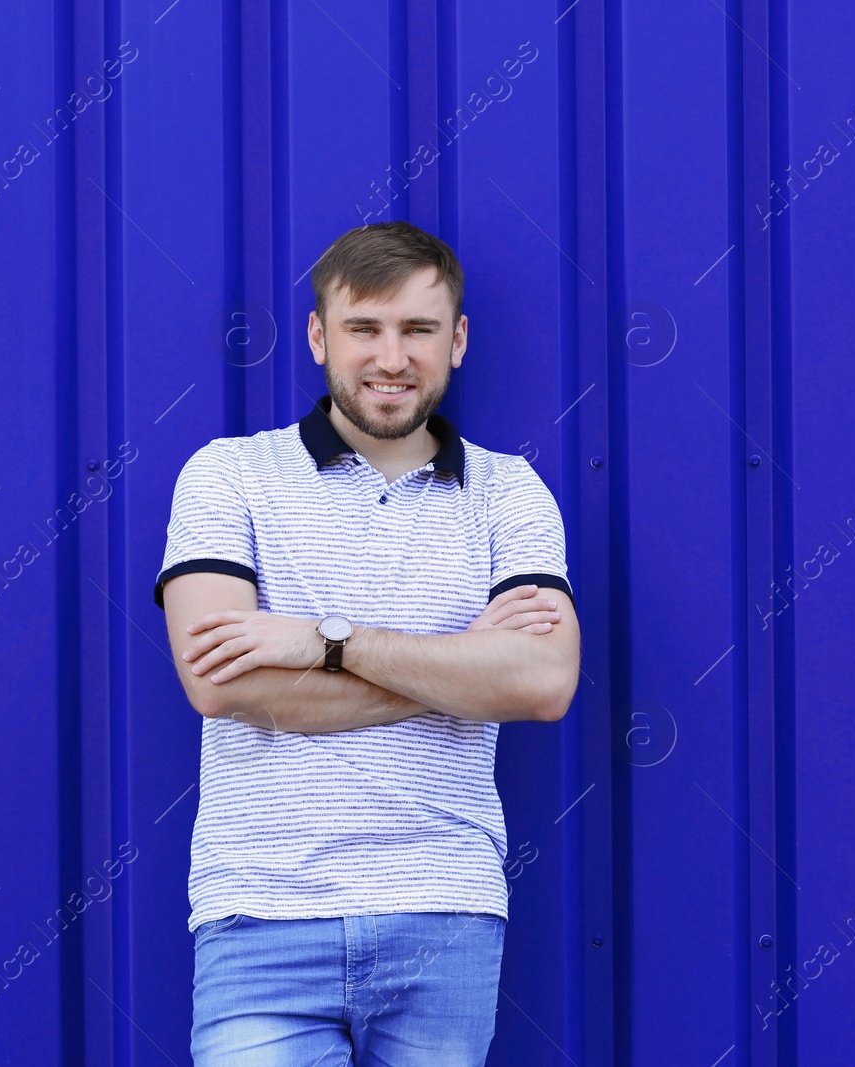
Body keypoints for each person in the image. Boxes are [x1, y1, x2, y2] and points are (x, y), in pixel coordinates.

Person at [155, 220, 581, 1065]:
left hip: (444, 912)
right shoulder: (228, 475)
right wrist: (461, 664)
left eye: (418, 329)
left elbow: (542, 682)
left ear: (456, 341)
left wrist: (320, 639)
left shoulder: (508, 491)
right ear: (320, 337)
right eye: (365, 328)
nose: (392, 357)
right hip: (261, 913)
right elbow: (217, 684)